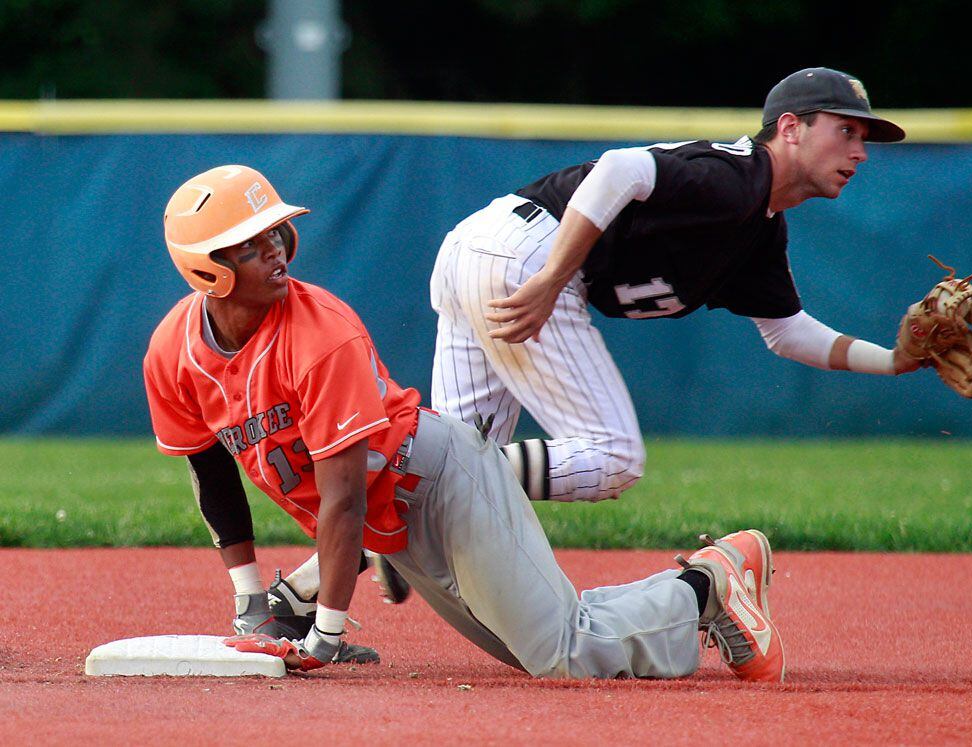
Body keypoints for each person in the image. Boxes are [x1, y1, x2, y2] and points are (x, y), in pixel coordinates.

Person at [144, 164, 785, 681]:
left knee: (560, 653)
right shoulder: (172, 350)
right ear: (207, 268)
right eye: (252, 247)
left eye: (277, 235)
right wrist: (250, 602)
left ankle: (707, 586)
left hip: (439, 479)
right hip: (395, 516)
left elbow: (341, 502)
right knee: (540, 643)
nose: (277, 253)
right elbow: (210, 467)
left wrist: (325, 636)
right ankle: (697, 589)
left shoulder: (320, 337)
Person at [430, 67, 922, 504]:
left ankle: (411, 486)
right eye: (845, 130)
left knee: (453, 456)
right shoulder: (736, 177)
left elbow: (788, 333)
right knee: (613, 457)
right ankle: (434, 481)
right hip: (528, 258)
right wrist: (550, 280)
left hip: (483, 248)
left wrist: (895, 361)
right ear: (791, 128)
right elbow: (619, 170)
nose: (860, 152)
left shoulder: (759, 224)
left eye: (863, 138)